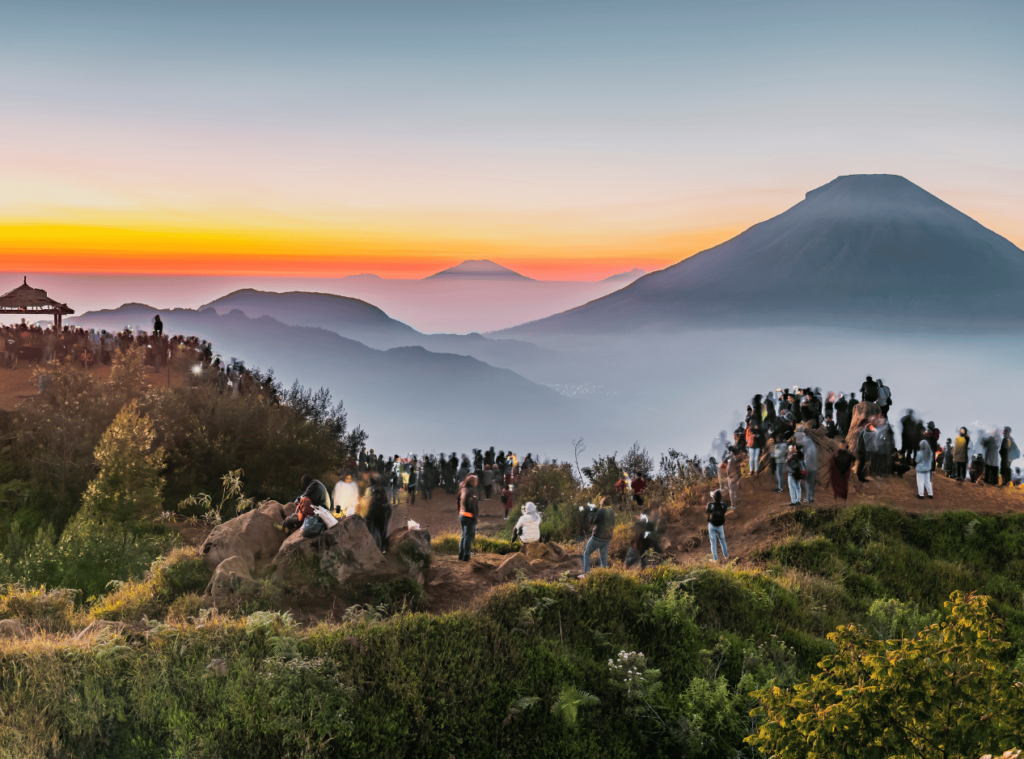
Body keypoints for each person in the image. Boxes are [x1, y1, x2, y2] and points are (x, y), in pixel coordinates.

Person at [579, 497, 615, 576]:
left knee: (587, 554)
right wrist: (596, 510)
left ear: (603, 503)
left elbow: (592, 521)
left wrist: (591, 511)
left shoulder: (601, 511)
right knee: (603, 558)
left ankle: (587, 574)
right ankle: (604, 575)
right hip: (607, 539)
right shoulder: (611, 512)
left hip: (598, 538)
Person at [456, 474, 479, 561]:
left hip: (462, 514)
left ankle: (461, 554)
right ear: (472, 482)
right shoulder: (471, 491)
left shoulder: (462, 489)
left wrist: (459, 511)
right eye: (475, 481)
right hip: (469, 515)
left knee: (464, 535)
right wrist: (475, 516)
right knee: (469, 536)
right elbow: (472, 505)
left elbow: (457, 500)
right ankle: (466, 555)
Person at [365, 481, 392, 551]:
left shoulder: (376, 503)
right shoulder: (385, 502)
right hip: (382, 517)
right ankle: (382, 547)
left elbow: (369, 515)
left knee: (379, 533)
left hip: (379, 519)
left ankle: (379, 548)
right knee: (383, 532)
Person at [706, 490, 729, 563]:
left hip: (712, 525)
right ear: (721, 497)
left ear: (714, 497)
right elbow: (724, 511)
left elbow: (707, 511)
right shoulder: (724, 505)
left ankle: (715, 559)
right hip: (720, 525)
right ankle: (726, 556)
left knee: (713, 542)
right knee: (723, 541)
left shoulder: (710, 504)